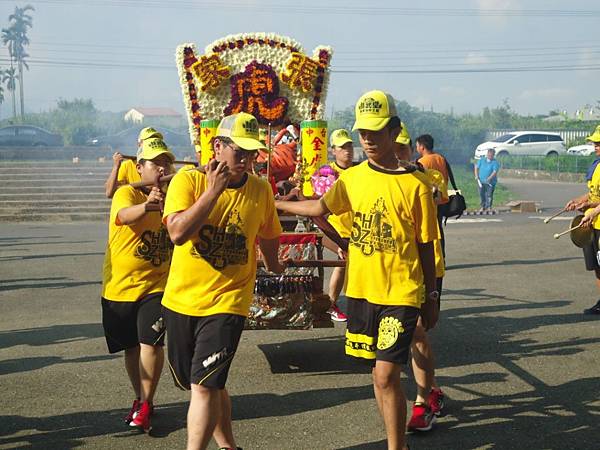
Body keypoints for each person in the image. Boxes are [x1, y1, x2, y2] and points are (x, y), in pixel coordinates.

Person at [276, 90, 439, 450]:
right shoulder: (352, 179)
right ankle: (397, 440)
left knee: (385, 374)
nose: (367, 139)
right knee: (378, 377)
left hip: (401, 292)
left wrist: (432, 295)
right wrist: (274, 202)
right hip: (362, 293)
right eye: (362, 131)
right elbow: (321, 206)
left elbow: (427, 246)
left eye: (376, 131)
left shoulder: (416, 186)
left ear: (394, 129)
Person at [162, 112, 285, 450]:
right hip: (180, 300)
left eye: (252, 152)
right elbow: (177, 232)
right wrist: (213, 192)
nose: (246, 160)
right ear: (217, 147)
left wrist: (275, 266)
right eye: (238, 151)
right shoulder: (187, 182)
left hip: (228, 301)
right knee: (206, 383)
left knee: (203, 387)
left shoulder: (260, 190)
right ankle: (230, 446)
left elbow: (270, 234)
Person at [100, 137, 175, 432]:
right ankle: (140, 397)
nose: (161, 168)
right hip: (119, 288)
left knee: (151, 342)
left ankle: (146, 401)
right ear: (139, 167)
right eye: (155, 163)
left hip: (156, 285)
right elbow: (124, 216)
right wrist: (148, 206)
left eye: (165, 162)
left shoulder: (174, 195)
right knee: (131, 348)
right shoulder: (127, 193)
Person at [395, 127, 447, 431]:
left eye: (403, 149)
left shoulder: (426, 176)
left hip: (427, 267)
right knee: (404, 339)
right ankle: (430, 390)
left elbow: (438, 195)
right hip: (393, 268)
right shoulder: (374, 177)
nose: (398, 155)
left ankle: (422, 401)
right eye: (395, 148)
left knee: (417, 332)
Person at [567, 124, 600, 314]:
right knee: (597, 267)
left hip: (596, 221)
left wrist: (594, 212)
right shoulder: (596, 166)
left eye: (599, 143)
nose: (596, 146)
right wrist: (578, 201)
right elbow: (593, 195)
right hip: (592, 226)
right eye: (595, 143)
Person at [325, 128, 355, 322]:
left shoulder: (359, 171)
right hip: (336, 230)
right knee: (342, 262)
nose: (347, 151)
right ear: (332, 150)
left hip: (357, 229)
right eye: (342, 147)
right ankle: (331, 303)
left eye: (349, 146)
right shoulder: (327, 172)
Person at [415, 134, 450, 255]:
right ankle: (442, 257)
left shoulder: (422, 162)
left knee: (429, 230)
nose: (416, 149)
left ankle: (433, 257)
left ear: (422, 147)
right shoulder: (440, 158)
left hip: (430, 200)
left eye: (417, 146)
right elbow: (446, 177)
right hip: (442, 198)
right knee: (439, 228)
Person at [105, 127, 163, 198]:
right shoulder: (127, 166)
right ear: (139, 145)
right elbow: (110, 193)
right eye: (148, 141)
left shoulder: (166, 166)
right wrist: (116, 166)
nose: (153, 144)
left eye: (156, 140)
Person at [474, 148, 500, 212]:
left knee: (489, 194)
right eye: (489, 155)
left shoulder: (495, 162)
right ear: (487, 154)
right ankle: (483, 206)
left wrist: (489, 178)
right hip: (481, 181)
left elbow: (494, 172)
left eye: (491, 155)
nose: (490, 156)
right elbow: (476, 168)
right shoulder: (482, 160)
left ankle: (489, 207)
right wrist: (476, 175)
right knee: (481, 193)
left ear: (493, 155)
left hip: (490, 182)